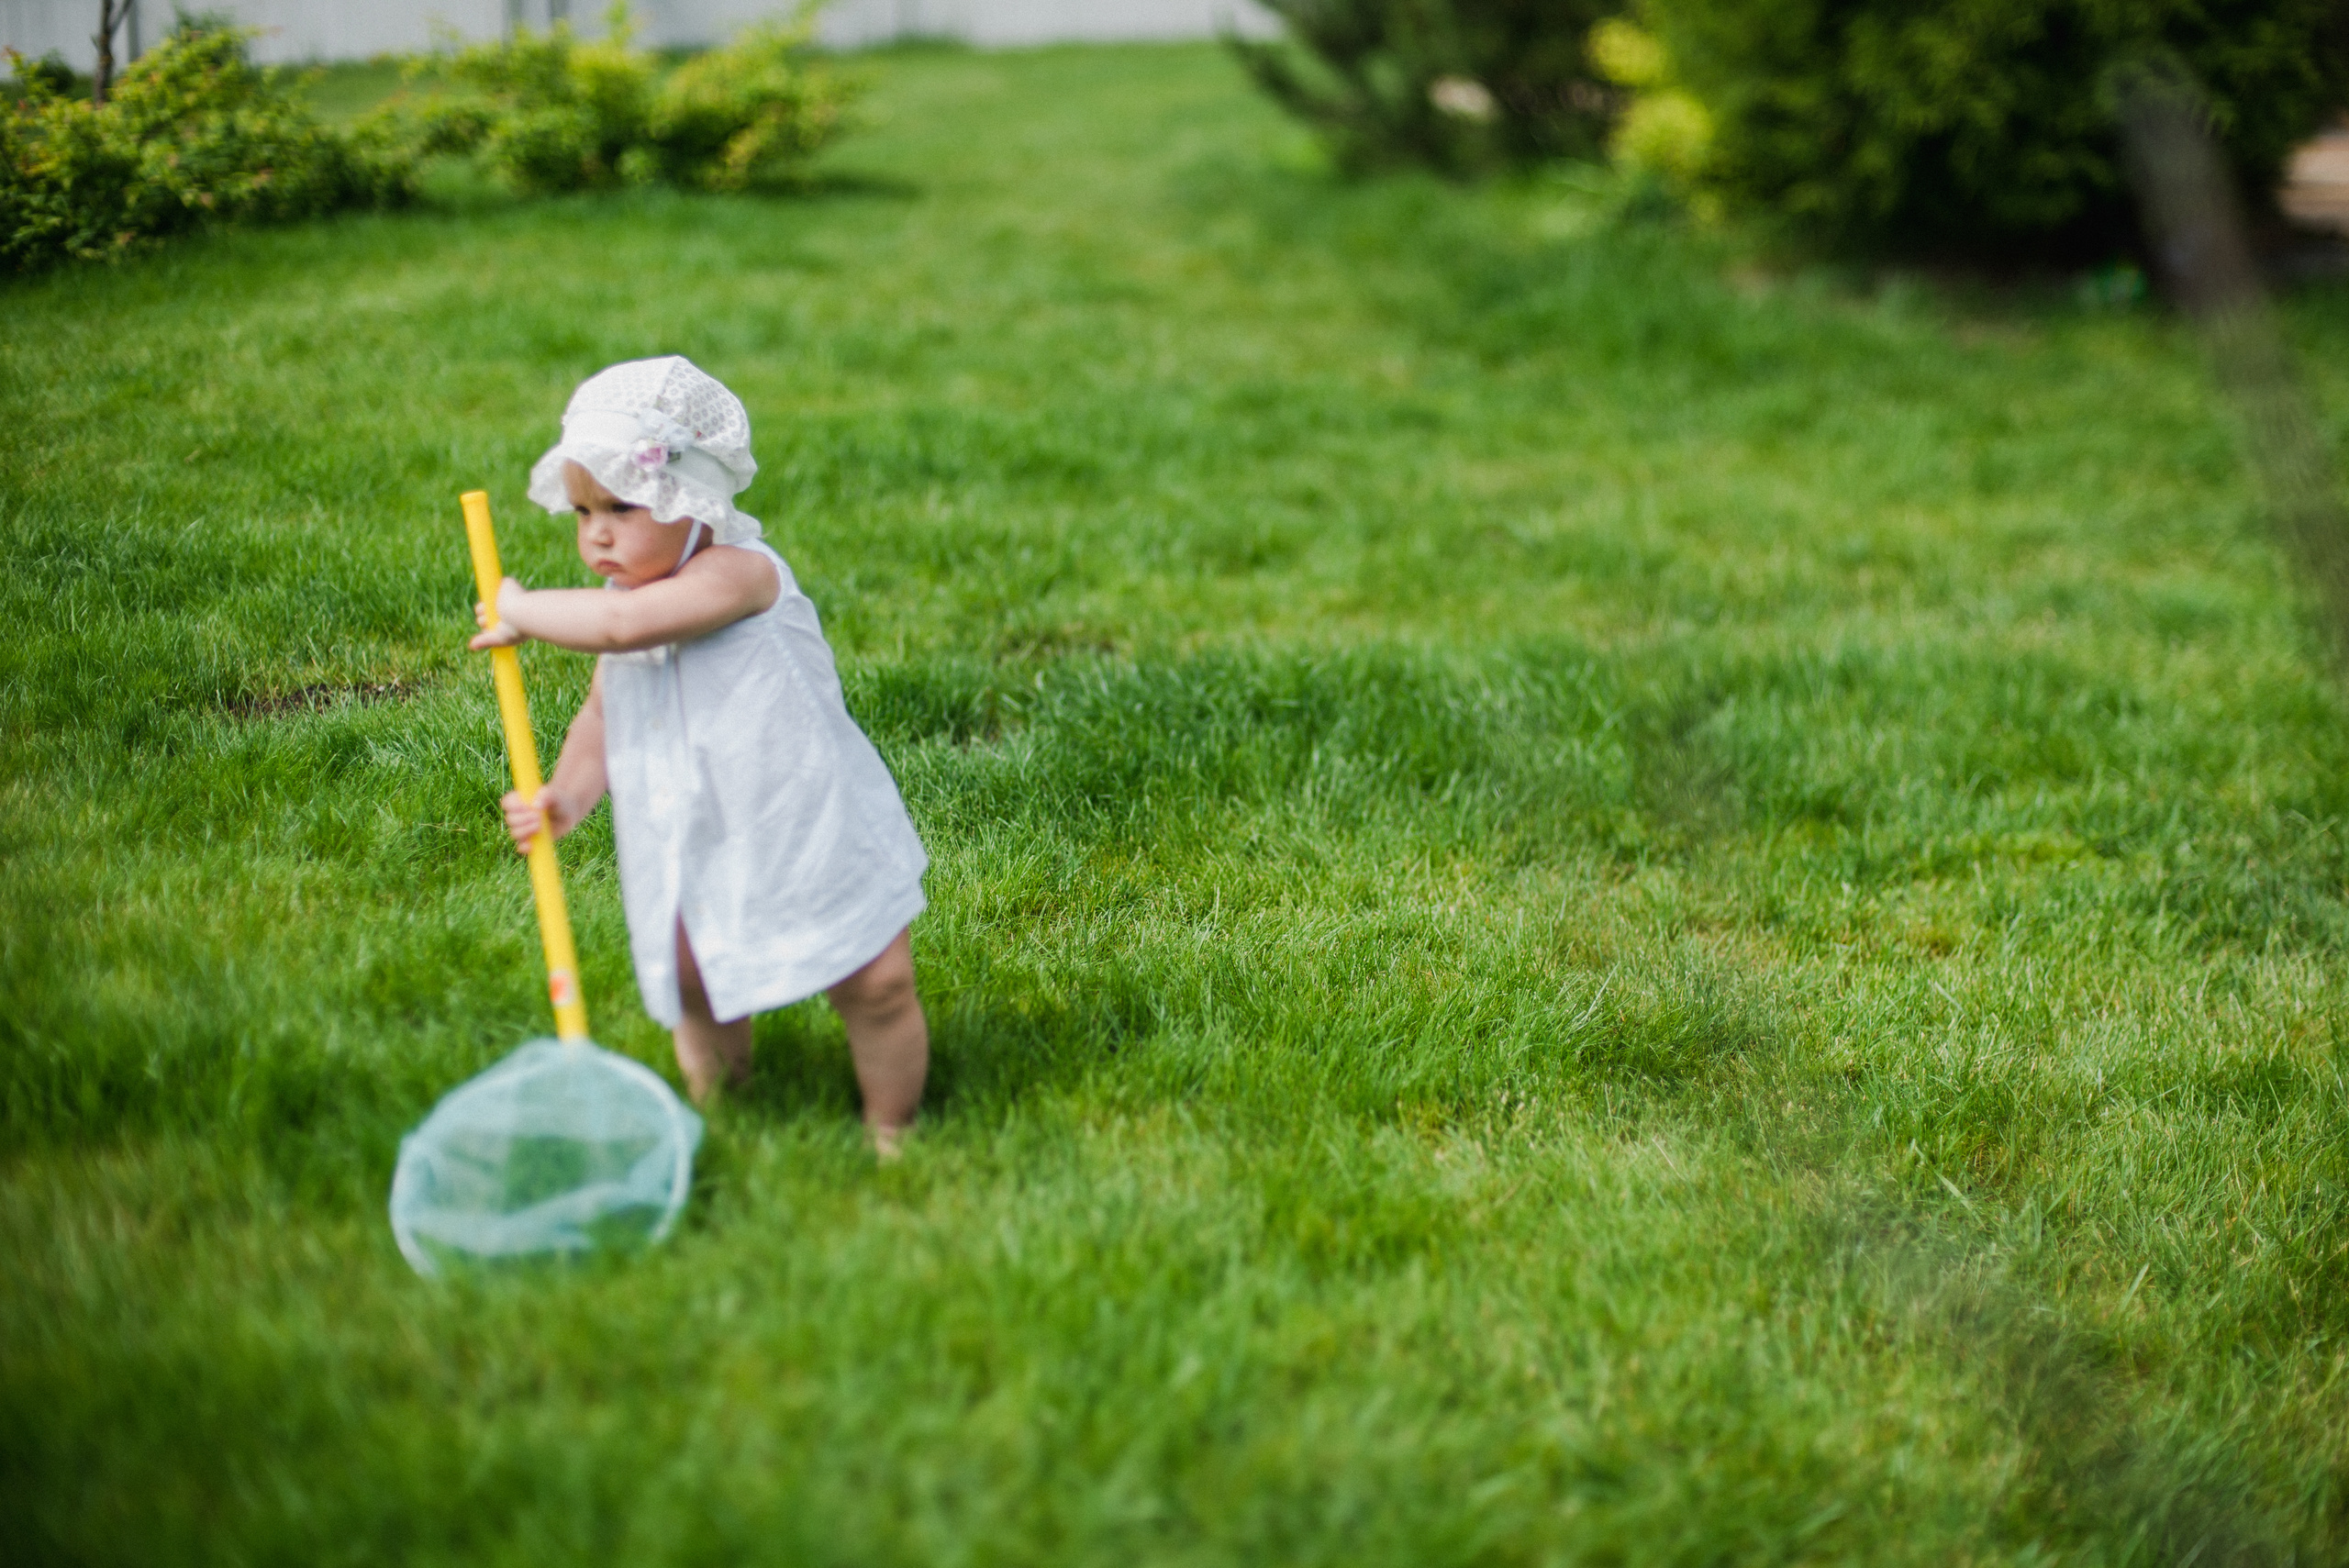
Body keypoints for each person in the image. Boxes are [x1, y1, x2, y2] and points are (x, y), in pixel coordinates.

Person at [469, 356, 929, 1155]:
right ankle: (726, 1108)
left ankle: (893, 1127)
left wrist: (518, 606)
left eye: (621, 505)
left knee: (874, 981)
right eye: (582, 512)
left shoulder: (739, 576)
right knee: (693, 977)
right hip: (691, 827)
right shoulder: (624, 597)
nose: (597, 532)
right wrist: (566, 796)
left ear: (693, 498)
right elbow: (603, 712)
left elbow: (623, 631)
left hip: (801, 819)